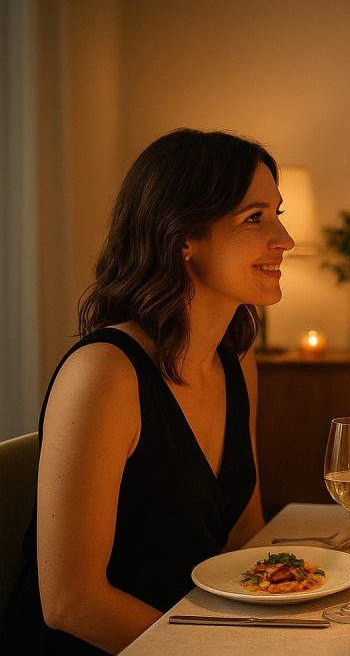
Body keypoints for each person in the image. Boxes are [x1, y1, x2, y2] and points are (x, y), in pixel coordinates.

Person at [2, 129, 295, 653]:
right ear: (183, 236)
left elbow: (242, 536)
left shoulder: (236, 363)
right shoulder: (105, 373)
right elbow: (71, 602)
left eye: (278, 213)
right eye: (254, 218)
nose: (285, 239)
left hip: (194, 629)